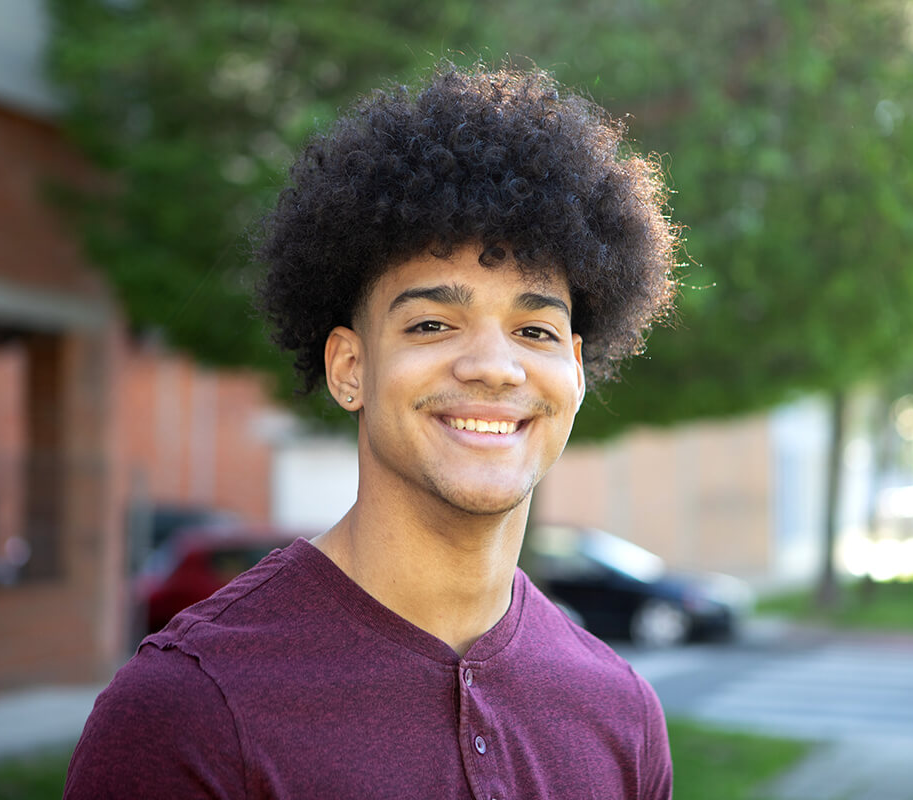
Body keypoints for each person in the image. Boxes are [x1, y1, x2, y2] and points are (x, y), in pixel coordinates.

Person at [65, 62, 679, 799]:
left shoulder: (621, 712)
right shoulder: (187, 711)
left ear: (576, 371)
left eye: (535, 330)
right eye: (431, 323)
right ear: (350, 366)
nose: (494, 366)